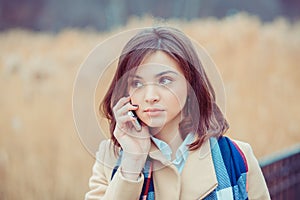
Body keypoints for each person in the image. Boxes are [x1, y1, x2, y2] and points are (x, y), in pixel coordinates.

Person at [85, 27, 270, 200]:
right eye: (137, 83)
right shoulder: (109, 160)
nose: (150, 97)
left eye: (164, 80)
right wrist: (132, 163)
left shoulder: (236, 157)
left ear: (191, 85)